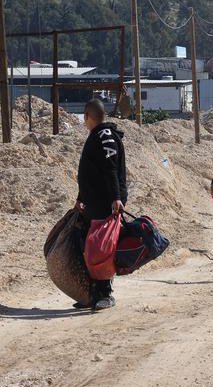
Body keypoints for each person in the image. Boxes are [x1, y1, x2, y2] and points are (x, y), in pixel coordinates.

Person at [74, 98, 128, 310]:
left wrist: (116, 197)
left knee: (102, 249)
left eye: (84, 118)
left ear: (87, 116)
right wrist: (81, 198)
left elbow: (110, 169)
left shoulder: (105, 136)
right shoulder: (99, 135)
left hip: (106, 202)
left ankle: (105, 293)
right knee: (90, 247)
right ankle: (93, 293)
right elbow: (91, 172)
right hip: (94, 202)